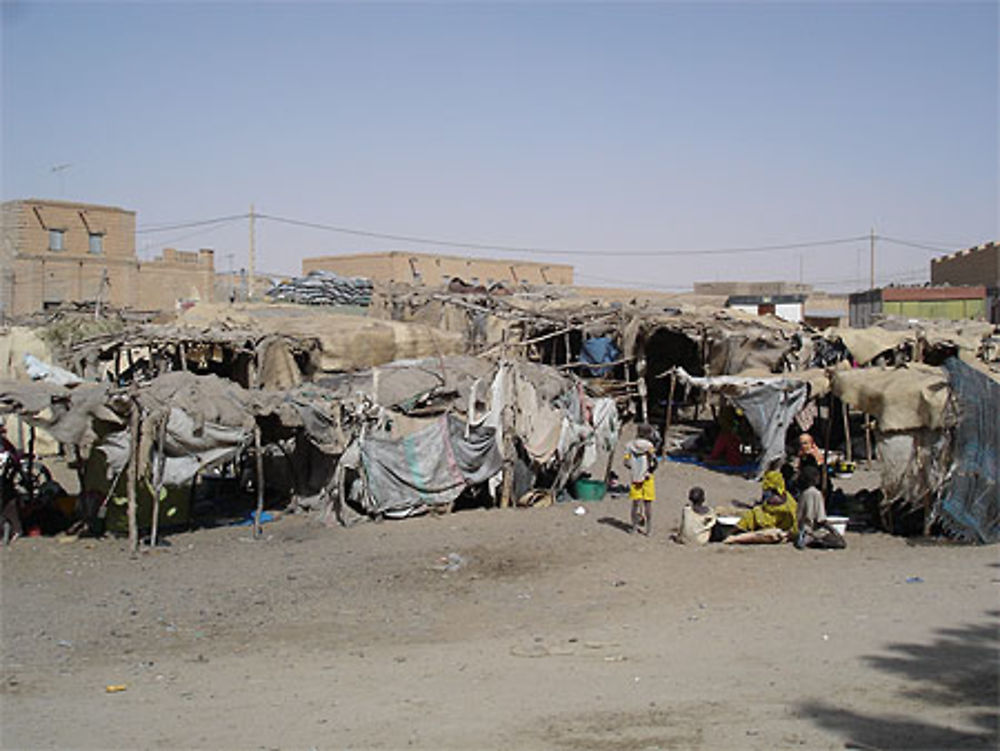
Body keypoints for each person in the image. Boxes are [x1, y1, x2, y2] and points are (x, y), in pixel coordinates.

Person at [723, 470, 798, 544]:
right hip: (775, 524)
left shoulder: (775, 499)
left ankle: (731, 536)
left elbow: (767, 516)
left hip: (772, 527)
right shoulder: (787, 497)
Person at [795, 465, 845, 549]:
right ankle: (816, 540)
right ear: (814, 478)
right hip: (813, 530)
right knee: (840, 543)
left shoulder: (803, 493)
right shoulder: (816, 493)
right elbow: (821, 520)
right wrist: (834, 530)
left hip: (803, 529)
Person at [624, 423, 658, 535]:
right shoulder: (649, 446)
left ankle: (633, 527)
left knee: (635, 504)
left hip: (635, 478)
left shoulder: (629, 445)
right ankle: (648, 529)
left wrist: (635, 467)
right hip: (647, 477)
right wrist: (649, 470)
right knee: (647, 504)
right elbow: (654, 461)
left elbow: (626, 463)